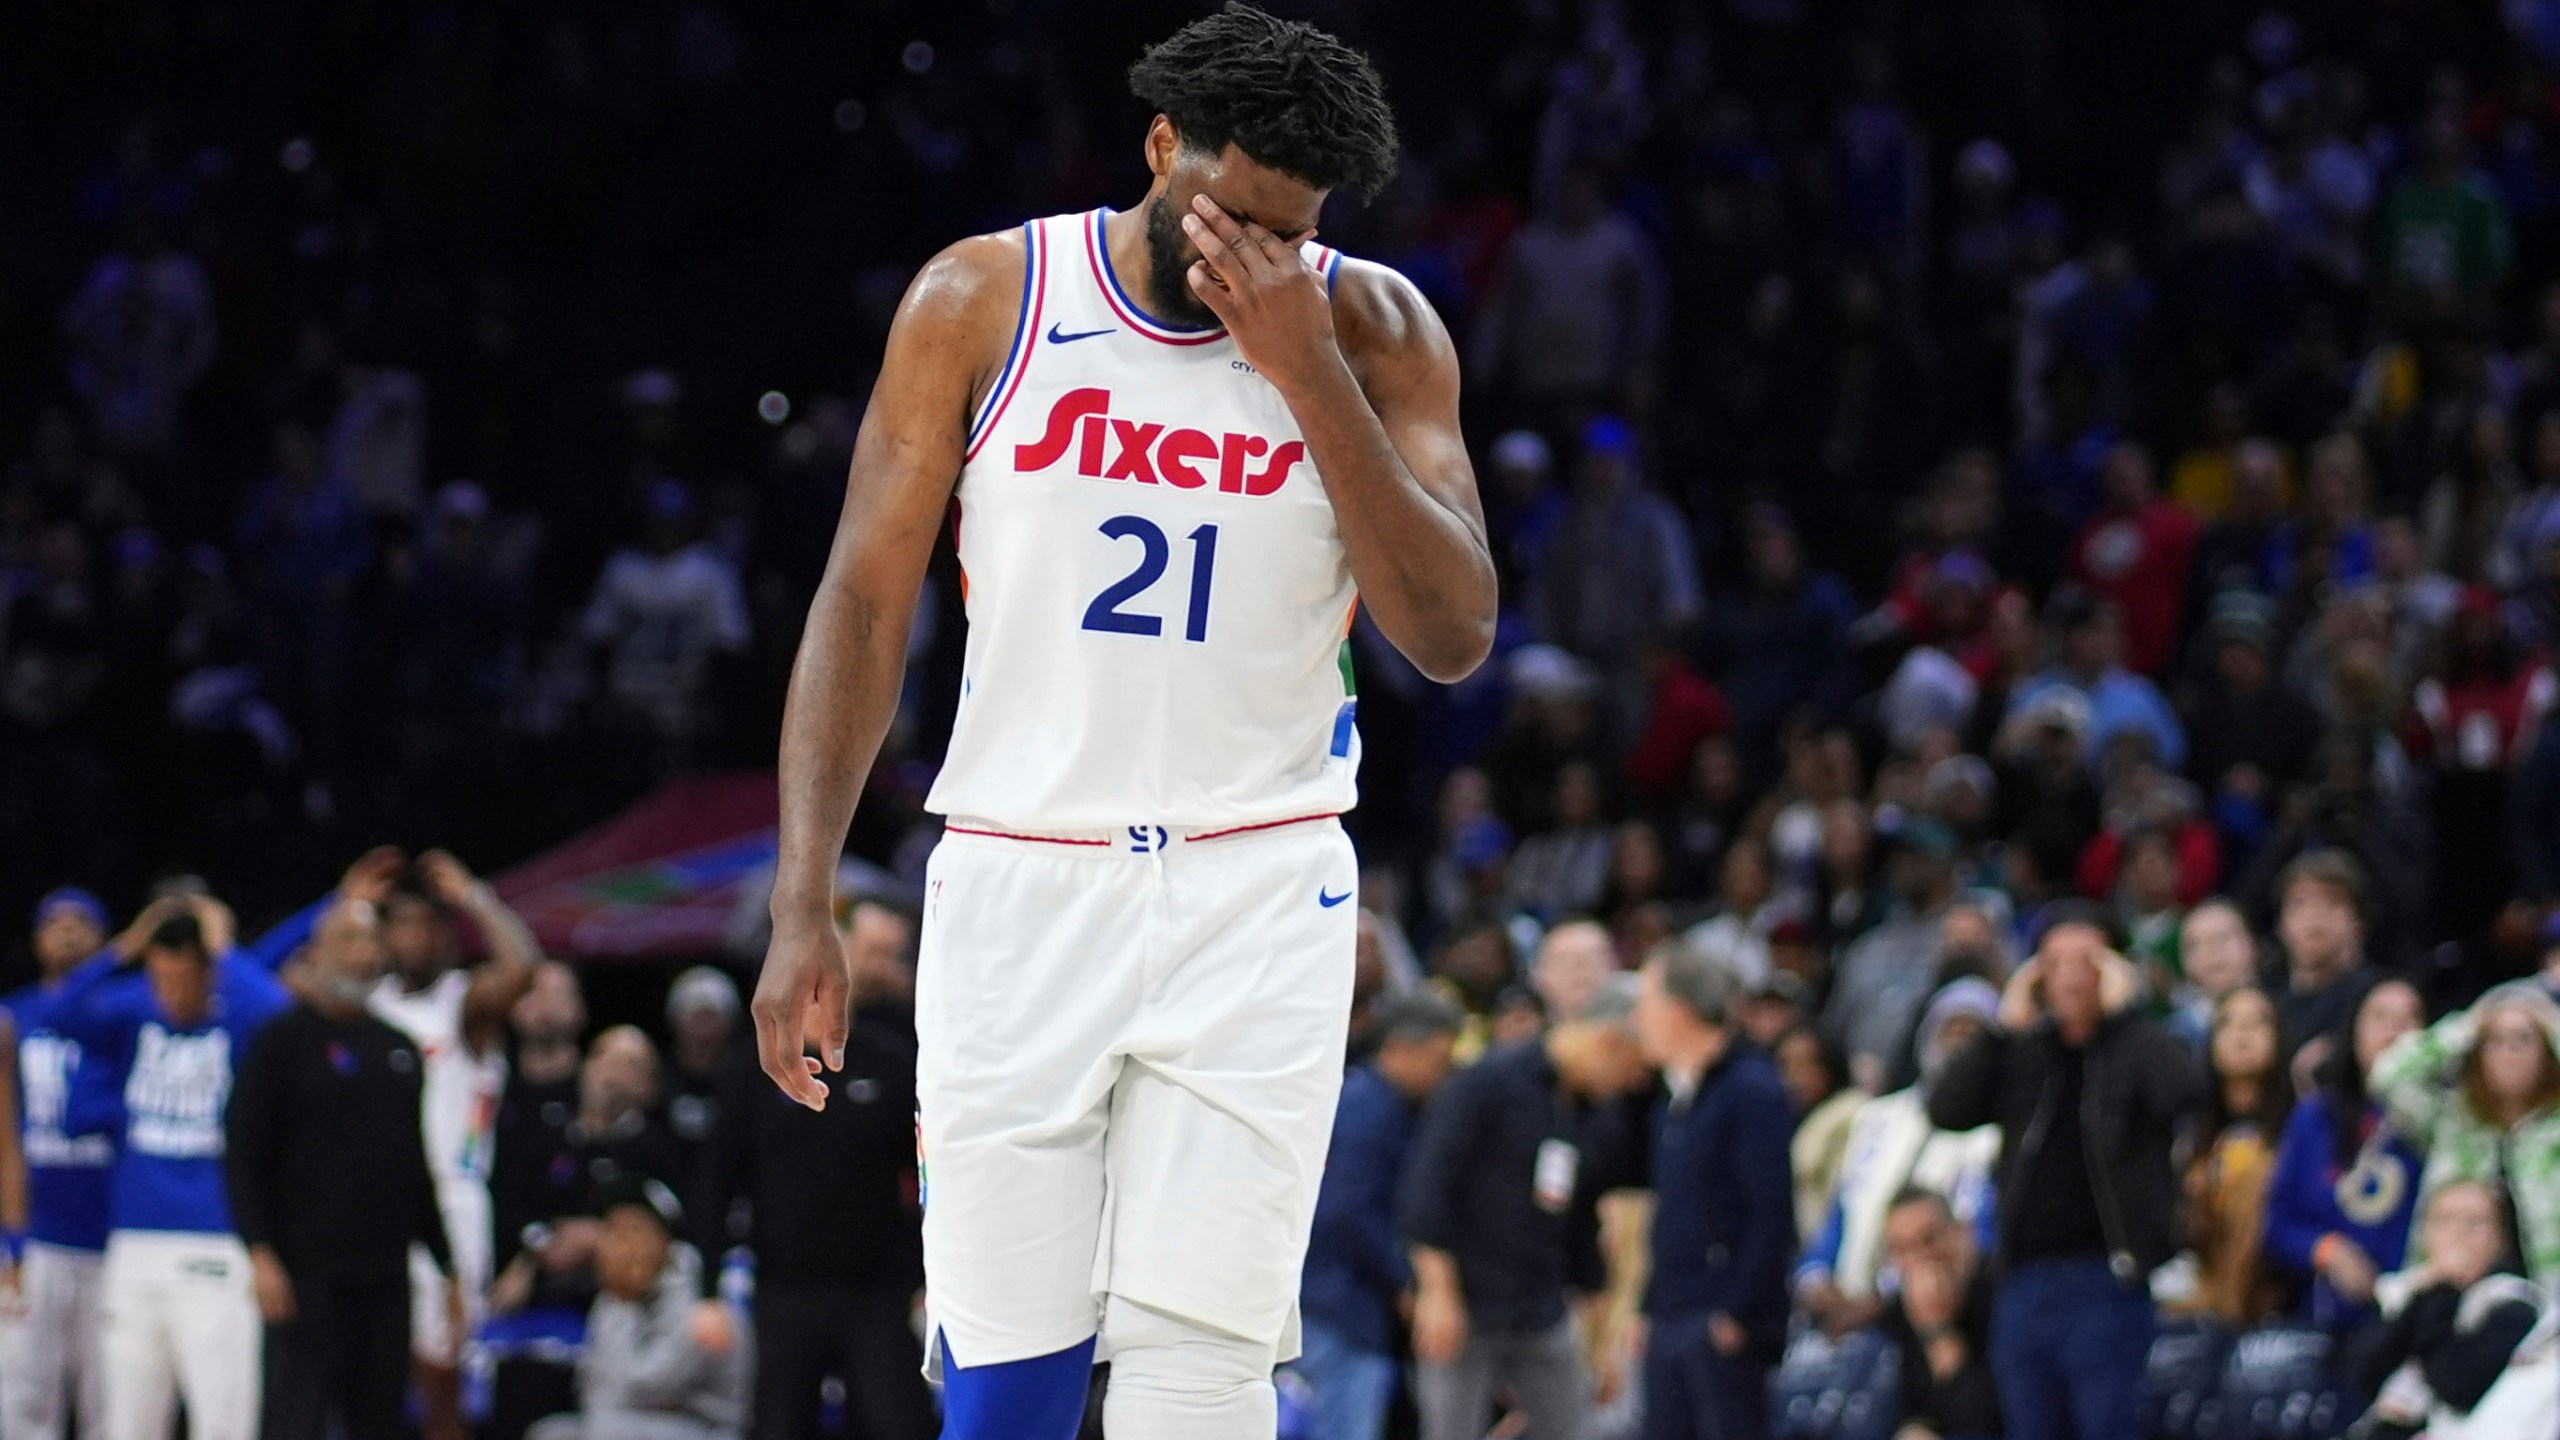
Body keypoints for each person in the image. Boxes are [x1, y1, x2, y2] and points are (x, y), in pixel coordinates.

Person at [751, 9, 1496, 1440]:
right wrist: (804, 901)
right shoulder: (984, 297)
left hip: (1259, 880)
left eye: (1290, 231)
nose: (1256, 262)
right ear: (1164, 148)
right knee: (1010, 1371)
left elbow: (1454, 633)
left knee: (1204, 1373)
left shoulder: (1374, 327)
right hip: (1024, 868)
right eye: (1235, 218)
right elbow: (860, 605)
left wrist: (1306, 371)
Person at [1928, 908, 2202, 1440]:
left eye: (2087, 961)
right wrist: (2003, 1026)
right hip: (2024, 1282)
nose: (2071, 975)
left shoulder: (2137, 1045)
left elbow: (2185, 1091)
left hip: (2107, 1277)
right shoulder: (2024, 1053)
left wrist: (2127, 1015)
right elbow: (1947, 1109)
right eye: (2054, 963)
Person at [691, 900, 934, 1440]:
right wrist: (706, 1292)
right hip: (784, 1289)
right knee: (778, 1426)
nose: (890, 967)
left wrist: (924, 1275)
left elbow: (925, 1179)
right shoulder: (754, 1068)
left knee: (900, 1423)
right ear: (834, 947)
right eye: (878, 953)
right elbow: (714, 1183)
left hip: (878, 1291)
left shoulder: (894, 1062)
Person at [225, 899, 459, 1440]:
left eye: (370, 941)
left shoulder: (398, 1050)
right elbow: (243, 1155)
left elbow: (413, 1165)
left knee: (379, 1421)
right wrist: (260, 1253)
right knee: (295, 1420)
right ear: (317, 955)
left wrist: (446, 1263)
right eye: (348, 941)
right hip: (306, 1279)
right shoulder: (279, 1043)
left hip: (384, 1279)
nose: (362, 954)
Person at [63, 910, 292, 1440]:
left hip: (213, 1246)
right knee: (127, 1423)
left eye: (180, 977)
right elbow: (59, 1011)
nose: (168, 991)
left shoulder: (235, 1025)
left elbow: (280, 1012)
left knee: (224, 1420)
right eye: (158, 977)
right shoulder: (133, 1022)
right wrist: (125, 946)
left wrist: (223, 946)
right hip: (133, 1250)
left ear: (207, 973)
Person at [1400, 988, 1650, 1440]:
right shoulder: (1489, 1082)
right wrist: (1437, 1292)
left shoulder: (1595, 1115)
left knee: (1575, 1427)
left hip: (1541, 1309)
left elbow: (1582, 1230)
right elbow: (1428, 1188)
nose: (1633, 1082)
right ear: (1609, 1042)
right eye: (1635, 1066)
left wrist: (1600, 1343)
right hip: (1467, 1301)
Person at [368, 849, 539, 1440]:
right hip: (376, 1203)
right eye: (400, 923)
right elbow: (291, 981)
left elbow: (523, 967)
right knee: (372, 1373)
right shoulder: (368, 1002)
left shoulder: (465, 1004)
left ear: (445, 934)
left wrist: (474, 898)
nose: (412, 936)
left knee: (443, 1378)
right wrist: (347, 903)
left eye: (425, 923)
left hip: (450, 1200)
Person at [1629, 942, 1795, 1440]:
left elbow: (1771, 1213)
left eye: (1646, 1004)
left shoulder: (1752, 1090)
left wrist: (1737, 1314)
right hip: (1672, 1316)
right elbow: (1673, 1214)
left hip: (1720, 1326)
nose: (1637, 1019)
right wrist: (1646, 1307)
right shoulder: (1672, 1098)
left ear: (1679, 1012)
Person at [1293, 989, 1462, 1440]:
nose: (1443, 1074)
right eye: (1438, 1058)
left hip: (1344, 1302)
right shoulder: (1366, 1108)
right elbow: (1345, 1212)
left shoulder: (1387, 1105)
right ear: (1400, 1049)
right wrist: (1405, 1277)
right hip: (1337, 1306)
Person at [1796, 979, 2003, 1335]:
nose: (1958, 1042)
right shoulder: (1878, 1117)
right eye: (1950, 1028)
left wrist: (1885, 1300)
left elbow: (1982, 1236)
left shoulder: (2000, 1128)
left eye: (1973, 1032)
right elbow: (1840, 1216)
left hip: (1939, 1312)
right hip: (1845, 1308)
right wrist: (1818, 1283)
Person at [2368, 981, 2560, 1286]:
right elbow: (2387, 1075)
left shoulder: (2555, 1129)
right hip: (2454, 1295)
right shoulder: (2454, 1121)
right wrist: (2468, 1025)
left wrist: (2553, 1025)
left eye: (2524, 1039)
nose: (2510, 1052)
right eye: (2495, 1040)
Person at [528, 1178, 750, 1440]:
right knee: (549, 1434)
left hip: (706, 1425)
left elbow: (651, 1386)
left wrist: (623, 1304)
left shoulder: (698, 1293)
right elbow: (589, 1385)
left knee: (607, 1431)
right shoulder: (616, 1293)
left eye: (633, 1229)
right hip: (639, 1421)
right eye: (612, 1230)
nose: (620, 1245)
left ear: (664, 1238)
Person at [2264, 978, 2427, 1330]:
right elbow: (2278, 1221)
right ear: (2353, 1030)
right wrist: (2329, 1251)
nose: (2394, 1032)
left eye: (2409, 1019)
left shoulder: (2442, 1117)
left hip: (2417, 1311)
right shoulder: (2316, 1116)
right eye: (2380, 1017)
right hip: (2327, 1315)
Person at [2344, 1180, 2557, 1440]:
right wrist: (2428, 1292)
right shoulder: (2406, 1291)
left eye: (2475, 1223)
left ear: (2501, 1239)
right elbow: (2358, 1374)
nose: (2458, 1234)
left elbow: (2457, 1384)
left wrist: (2444, 1289)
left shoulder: (2515, 1304)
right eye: (2445, 1220)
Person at [2178, 987, 2292, 1325]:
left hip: (2272, 1304)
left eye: (2257, 1023)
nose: (2242, 1035)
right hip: (2200, 1295)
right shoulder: (2193, 1135)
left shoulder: (2299, 1126)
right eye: (2228, 1024)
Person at [1876, 1188, 2002, 1440]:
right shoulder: (1899, 1319)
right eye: (1903, 1250)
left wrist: (1939, 1330)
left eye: (1930, 1240)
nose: (1921, 1258)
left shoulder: (2003, 1294)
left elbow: (1984, 1421)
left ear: (1963, 1234)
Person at [2270, 851, 2379, 1073]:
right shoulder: (2269, 1010)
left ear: (2358, 922)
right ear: (2281, 925)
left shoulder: (2378, 997)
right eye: (2300, 903)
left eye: (2331, 902)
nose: (2314, 914)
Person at [1773, 1025, 1864, 1245]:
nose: (1795, 1077)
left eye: (1808, 1064)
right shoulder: (1783, 1122)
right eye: (1786, 1065)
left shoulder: (1852, 1114)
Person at [661, 966, 740, 1170]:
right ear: (676, 1021)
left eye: (711, 1016)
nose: (703, 1028)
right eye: (695, 1015)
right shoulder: (660, 1081)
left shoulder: (743, 1082)